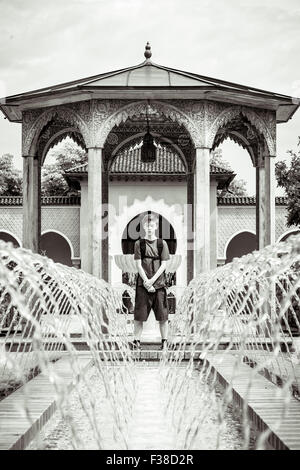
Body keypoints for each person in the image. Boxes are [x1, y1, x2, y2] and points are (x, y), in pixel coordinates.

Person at [131, 213, 170, 351]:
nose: (149, 228)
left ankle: (164, 342)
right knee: (139, 316)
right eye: (147, 225)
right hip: (143, 285)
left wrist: (152, 281)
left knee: (163, 316)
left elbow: (164, 265)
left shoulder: (161, 243)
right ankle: (136, 342)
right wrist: (146, 282)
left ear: (156, 226)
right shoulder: (139, 244)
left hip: (159, 285)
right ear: (143, 226)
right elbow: (138, 265)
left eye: (151, 225)